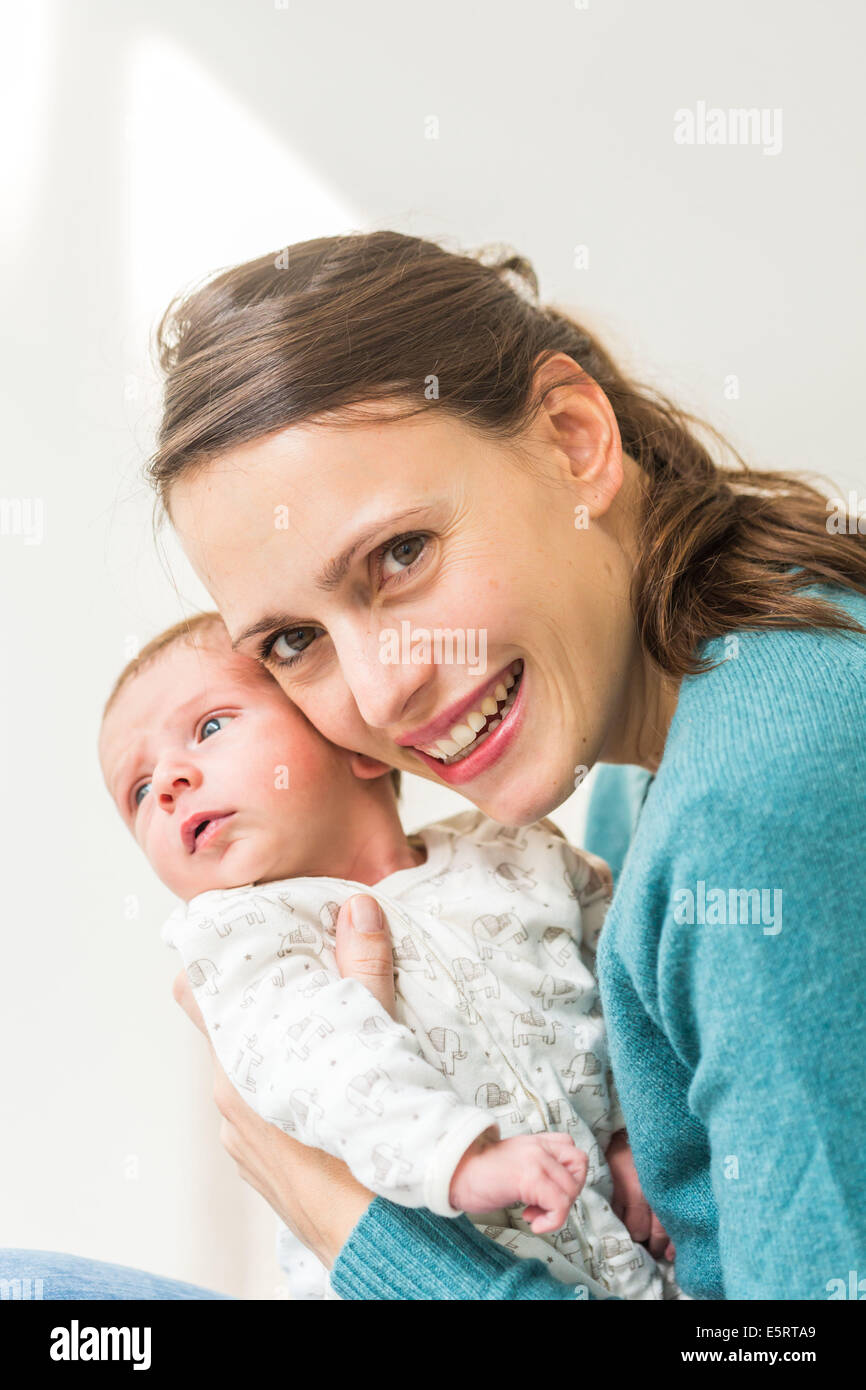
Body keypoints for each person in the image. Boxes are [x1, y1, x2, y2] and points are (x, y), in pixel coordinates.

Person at [4, 230, 864, 1299]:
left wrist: (349, 1222)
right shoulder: (662, 754)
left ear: (571, 436)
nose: (376, 695)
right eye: (291, 641)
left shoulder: (753, 805)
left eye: (399, 555)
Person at [97, 607, 679, 1301]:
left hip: (625, 1262)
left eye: (211, 726)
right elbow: (324, 1069)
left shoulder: (516, 853)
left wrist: (629, 1131)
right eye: (137, 791)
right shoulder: (244, 941)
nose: (166, 784)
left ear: (355, 740)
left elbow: (617, 989)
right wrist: (462, 1158)